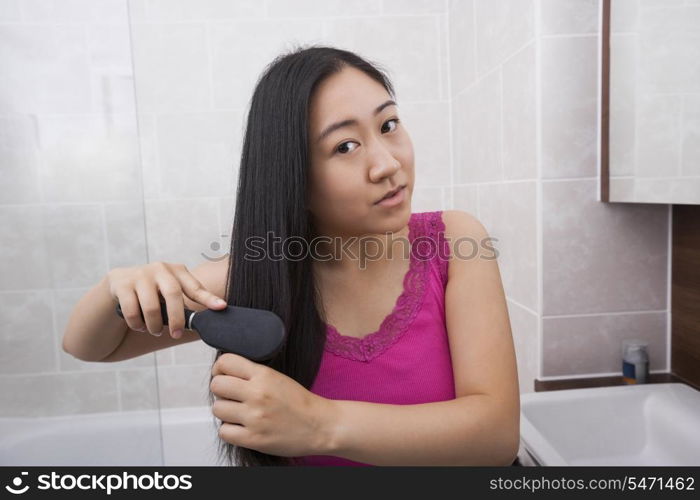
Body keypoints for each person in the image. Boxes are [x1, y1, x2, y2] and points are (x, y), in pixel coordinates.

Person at [62, 45, 520, 467]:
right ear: (294, 178)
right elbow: (91, 346)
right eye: (344, 146)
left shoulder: (454, 241)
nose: (387, 164)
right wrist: (115, 290)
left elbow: (497, 436)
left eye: (388, 125)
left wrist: (319, 424)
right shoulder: (256, 276)